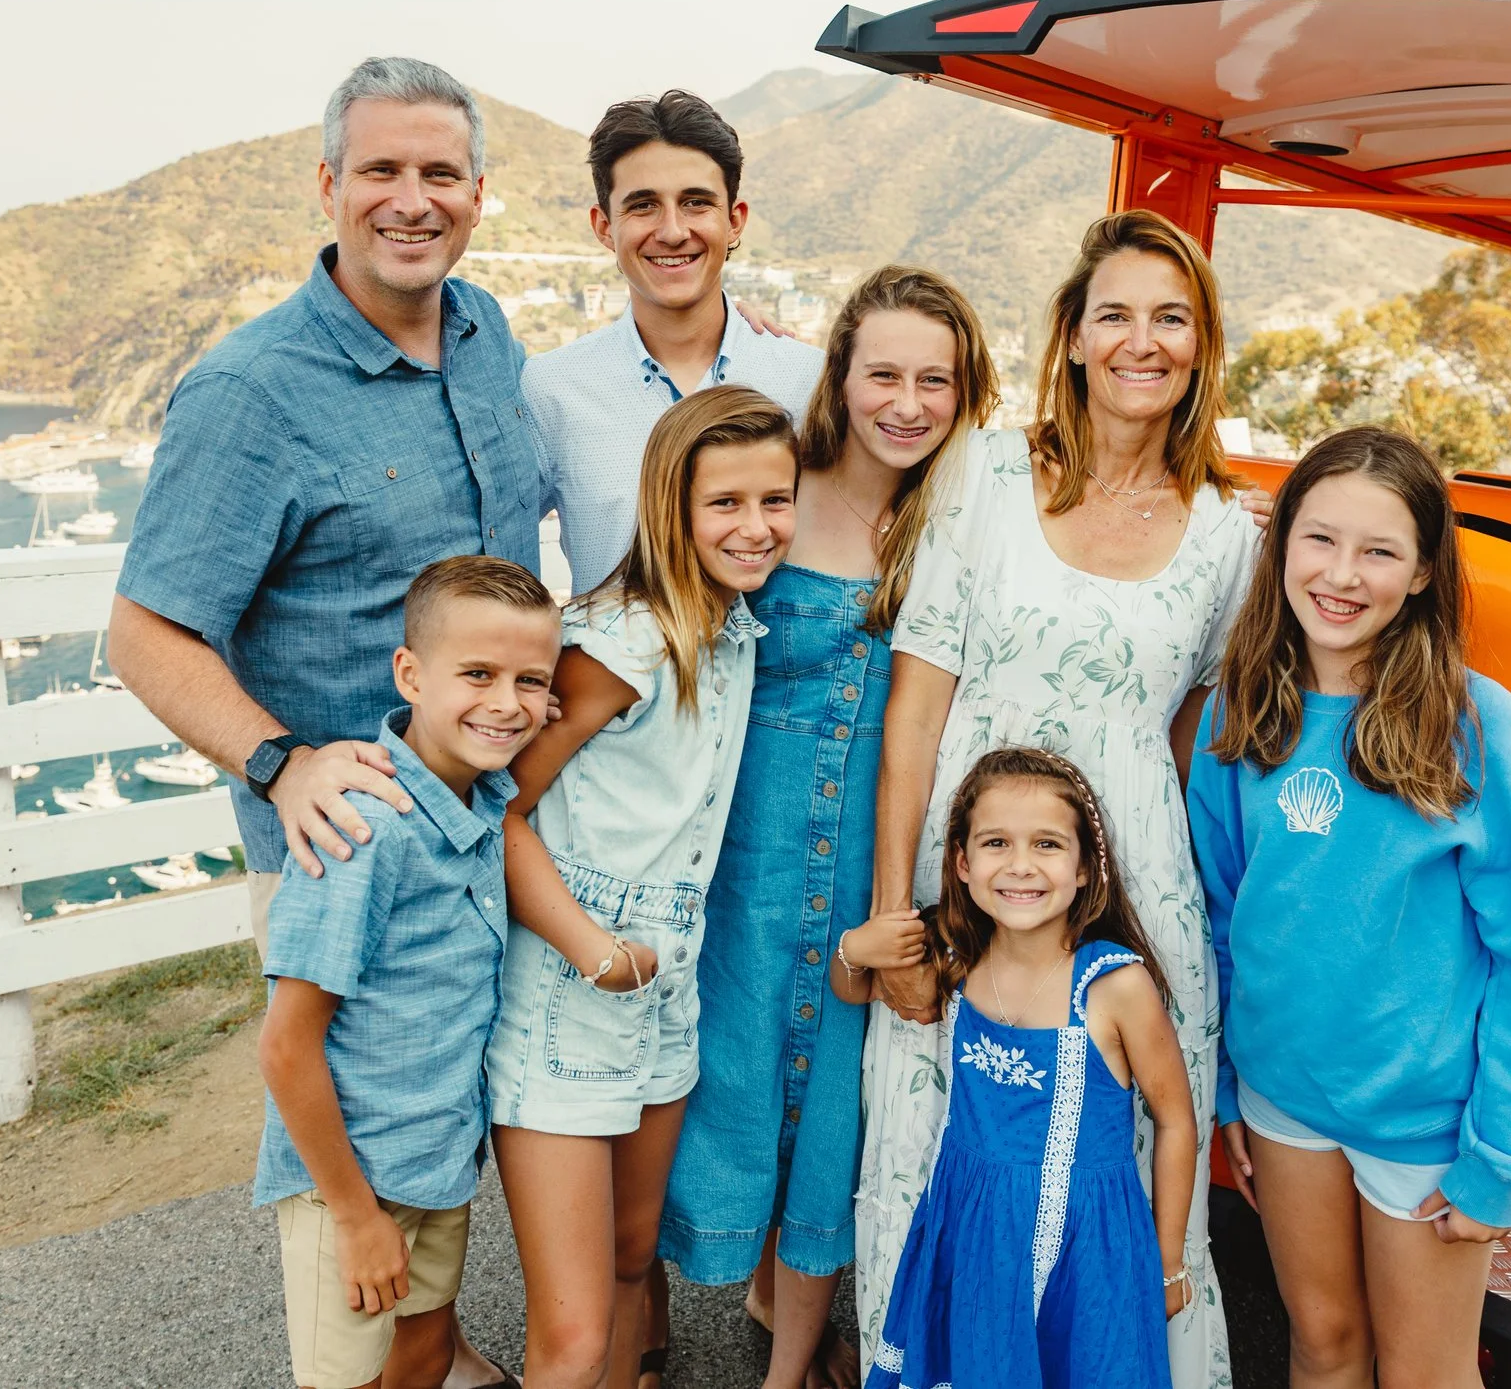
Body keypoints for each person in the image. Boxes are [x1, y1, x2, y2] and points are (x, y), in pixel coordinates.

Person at [113, 56, 538, 1389]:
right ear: (330, 187)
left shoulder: (487, 335)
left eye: (439, 173)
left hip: (472, 829)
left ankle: (436, 1341)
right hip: (345, 845)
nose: (412, 200)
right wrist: (280, 757)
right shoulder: (253, 391)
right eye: (382, 171)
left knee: (433, 1104)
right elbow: (143, 630)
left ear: (477, 191)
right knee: (347, 1162)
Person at [858, 209, 1262, 1389]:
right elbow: (917, 706)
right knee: (936, 1147)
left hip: (1125, 895)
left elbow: (1190, 738)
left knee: (1117, 1158)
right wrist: (897, 921)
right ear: (1074, 337)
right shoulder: (984, 468)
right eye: (1116, 314)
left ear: (1201, 344)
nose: (1143, 341)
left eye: (1171, 318)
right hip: (968, 878)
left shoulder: (1227, 536)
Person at [657, 268, 999, 1389]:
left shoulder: (960, 517)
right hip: (746, 852)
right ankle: (700, 1301)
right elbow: (667, 624)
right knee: (743, 1078)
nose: (907, 401)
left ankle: (790, 1361)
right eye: (883, 373)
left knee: (840, 1112)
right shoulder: (777, 495)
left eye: (934, 378)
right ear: (839, 376)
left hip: (876, 848)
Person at [1188, 427, 1511, 1389]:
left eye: (1380, 551)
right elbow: (1223, 920)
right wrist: (1234, 1084)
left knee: (1425, 1376)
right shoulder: (1235, 710)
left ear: (1421, 574)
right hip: (1285, 1102)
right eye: (1319, 539)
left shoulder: (1474, 722)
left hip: (1424, 1122)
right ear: (1280, 547)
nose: (1342, 575)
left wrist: (1499, 1159)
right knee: (1321, 1345)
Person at [485, 386, 799, 1389]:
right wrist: (592, 950)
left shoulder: (732, 631)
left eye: (776, 499)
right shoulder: (617, 643)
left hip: (667, 983)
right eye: (725, 503)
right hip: (574, 986)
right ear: (672, 505)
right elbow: (497, 808)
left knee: (631, 1259)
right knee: (571, 1333)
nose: (755, 527)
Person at [255, 556, 562, 1389]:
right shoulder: (365, 825)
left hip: (437, 1161)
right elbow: (286, 1045)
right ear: (409, 673)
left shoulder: (484, 797)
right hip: (352, 1183)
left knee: (423, 1356)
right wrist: (356, 1217)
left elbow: (511, 709)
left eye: (530, 680)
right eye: (477, 673)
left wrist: (517, 697)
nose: (506, 702)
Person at [836, 747, 1197, 1389]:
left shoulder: (1113, 986)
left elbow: (1175, 1121)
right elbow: (855, 987)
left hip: (1089, 1248)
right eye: (997, 842)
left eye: (1049, 845)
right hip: (975, 1228)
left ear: (1085, 868)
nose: (1021, 865)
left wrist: (1168, 1262)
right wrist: (852, 949)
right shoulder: (958, 954)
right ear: (963, 863)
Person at [525, 90, 823, 594]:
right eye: (643, 205)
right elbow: (492, 548)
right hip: (612, 673)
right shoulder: (551, 388)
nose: (672, 230)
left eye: (696, 203)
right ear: (604, 226)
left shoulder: (809, 380)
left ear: (734, 221)